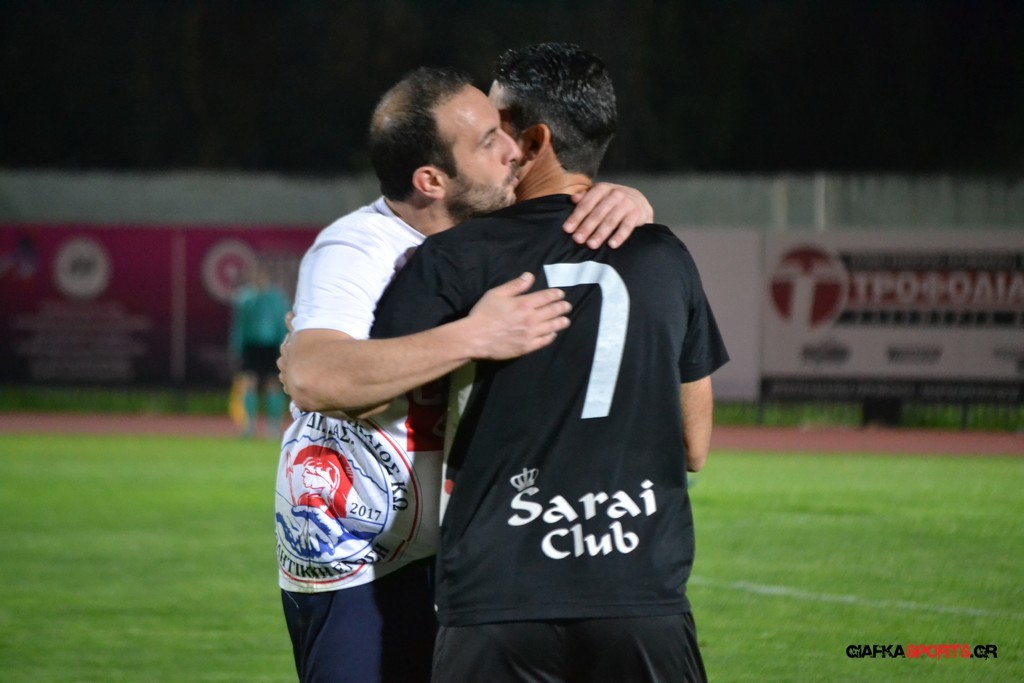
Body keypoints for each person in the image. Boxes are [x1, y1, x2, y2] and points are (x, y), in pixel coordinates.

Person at [275, 65, 654, 683]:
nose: (514, 150)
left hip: (462, 553)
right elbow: (315, 375)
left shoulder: (487, 231)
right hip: (356, 552)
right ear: (431, 180)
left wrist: (626, 198)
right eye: (488, 141)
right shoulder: (358, 247)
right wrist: (476, 335)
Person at [370, 43, 729, 683]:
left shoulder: (455, 256)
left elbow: (368, 390)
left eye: (495, 129)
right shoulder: (664, 255)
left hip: (497, 596)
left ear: (532, 142)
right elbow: (694, 445)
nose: (490, 145)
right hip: (637, 593)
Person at [229, 262, 291, 437]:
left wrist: (285, 346)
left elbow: (283, 324)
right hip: (251, 346)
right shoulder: (245, 297)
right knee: (249, 383)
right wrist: (237, 347)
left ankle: (273, 426)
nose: (259, 280)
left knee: (274, 384)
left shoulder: (277, 298)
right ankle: (249, 426)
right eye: (256, 276)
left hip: (272, 346)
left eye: (261, 276)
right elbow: (239, 325)